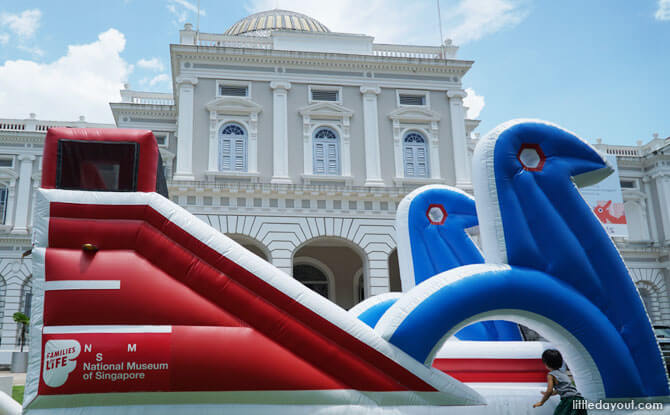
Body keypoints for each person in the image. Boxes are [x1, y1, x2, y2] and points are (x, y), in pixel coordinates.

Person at [533, 349, 587, 414]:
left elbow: (549, 391)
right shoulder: (563, 374)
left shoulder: (551, 375)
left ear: (545, 363)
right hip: (580, 399)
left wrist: (541, 402)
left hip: (569, 401)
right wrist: (548, 394)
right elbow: (560, 390)